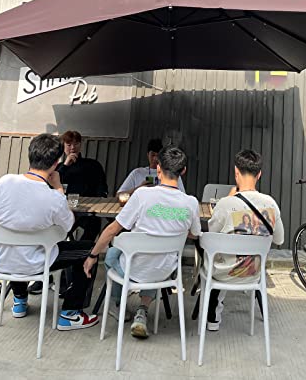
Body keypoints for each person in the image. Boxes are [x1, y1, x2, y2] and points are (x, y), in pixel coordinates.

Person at [0, 133, 99, 330]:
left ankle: (19, 299)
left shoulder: (4, 182)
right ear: (57, 162)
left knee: (17, 247)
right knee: (90, 250)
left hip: (0, 259)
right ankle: (70, 313)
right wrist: (59, 188)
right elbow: (68, 226)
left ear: (30, 155)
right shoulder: (53, 198)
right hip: (36, 263)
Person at [83, 146, 201, 339]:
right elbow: (195, 234)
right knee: (156, 261)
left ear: (158, 168)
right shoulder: (191, 203)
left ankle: (117, 303)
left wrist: (92, 256)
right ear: (183, 171)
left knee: (113, 254)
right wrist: (175, 225)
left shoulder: (142, 195)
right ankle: (142, 310)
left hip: (133, 268)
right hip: (164, 271)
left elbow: (112, 229)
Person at [205, 149, 284, 331]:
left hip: (225, 272)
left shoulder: (226, 203)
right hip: (254, 273)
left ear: (236, 172)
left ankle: (212, 320)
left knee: (214, 258)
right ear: (259, 174)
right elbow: (279, 239)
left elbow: (211, 233)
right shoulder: (271, 204)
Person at [56, 130, 108, 242]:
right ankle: (62, 250)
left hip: (88, 210)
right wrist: (65, 165)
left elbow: (102, 186)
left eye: (76, 144)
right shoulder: (59, 168)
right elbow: (53, 183)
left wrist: (100, 198)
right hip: (65, 209)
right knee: (58, 231)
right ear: (63, 146)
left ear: (80, 145)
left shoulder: (93, 165)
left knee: (94, 225)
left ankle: (83, 250)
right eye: (68, 145)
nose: (72, 148)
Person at [117, 138, 186, 194]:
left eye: (157, 155)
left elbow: (182, 196)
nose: (155, 158)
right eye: (152, 155)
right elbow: (119, 195)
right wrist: (139, 188)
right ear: (148, 155)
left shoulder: (171, 173)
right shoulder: (137, 173)